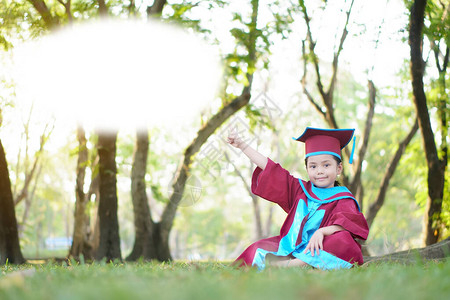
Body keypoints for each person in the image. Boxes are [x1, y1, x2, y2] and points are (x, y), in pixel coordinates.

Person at [227, 126, 369, 270]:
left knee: (344, 241)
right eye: (313, 166)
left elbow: (347, 224)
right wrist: (242, 145)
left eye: (326, 165)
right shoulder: (299, 190)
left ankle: (292, 265)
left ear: (339, 168)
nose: (320, 171)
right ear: (307, 169)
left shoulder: (343, 198)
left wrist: (322, 232)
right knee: (257, 248)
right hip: (291, 248)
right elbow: (270, 168)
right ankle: (294, 263)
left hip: (320, 246)